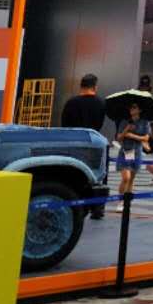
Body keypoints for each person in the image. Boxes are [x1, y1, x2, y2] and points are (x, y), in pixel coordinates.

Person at [60, 75, 108, 218]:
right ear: (95, 87)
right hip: (93, 142)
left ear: (81, 86)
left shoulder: (71, 103)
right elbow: (99, 123)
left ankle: (74, 205)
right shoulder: (101, 103)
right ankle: (97, 209)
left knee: (74, 174)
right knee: (97, 176)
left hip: (74, 142)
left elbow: (65, 125)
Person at [113, 100, 150, 197]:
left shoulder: (144, 122)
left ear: (140, 110)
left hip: (137, 151)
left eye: (134, 107)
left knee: (131, 179)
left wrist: (132, 136)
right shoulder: (124, 121)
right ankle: (121, 199)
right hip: (127, 150)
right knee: (126, 178)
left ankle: (127, 201)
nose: (131, 109)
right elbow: (119, 138)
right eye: (130, 107)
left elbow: (146, 138)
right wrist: (127, 129)